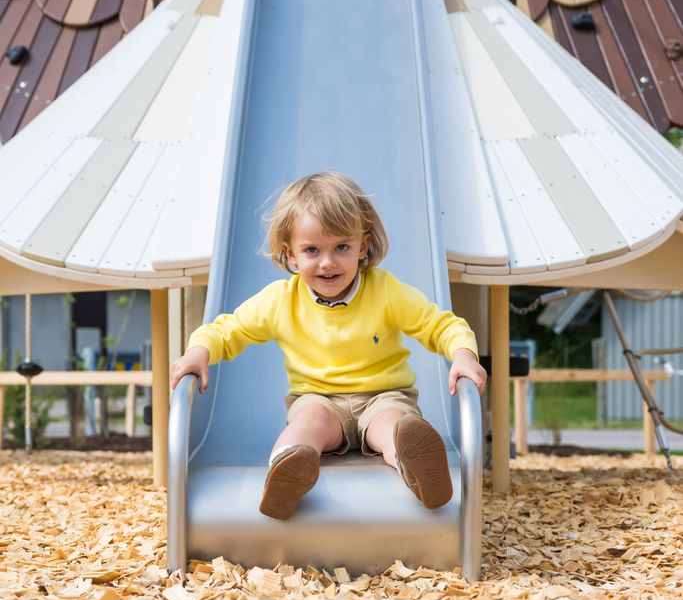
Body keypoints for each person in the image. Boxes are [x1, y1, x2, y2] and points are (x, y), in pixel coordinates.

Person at [170, 172, 487, 519]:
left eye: (341, 247)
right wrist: (199, 351)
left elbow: (439, 324)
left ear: (362, 246)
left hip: (383, 395)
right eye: (311, 250)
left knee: (392, 426)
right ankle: (288, 470)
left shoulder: (385, 290)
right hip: (318, 399)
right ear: (290, 255)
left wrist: (462, 354)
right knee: (308, 425)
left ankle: (416, 467)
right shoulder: (280, 300)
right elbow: (229, 329)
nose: (327, 262)